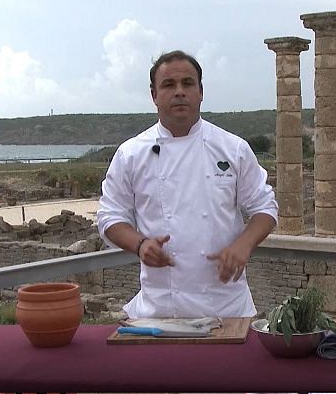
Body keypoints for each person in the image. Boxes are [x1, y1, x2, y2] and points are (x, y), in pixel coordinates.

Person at [96, 50, 278, 319]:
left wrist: (244, 245)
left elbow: (266, 208)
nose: (179, 92)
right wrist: (140, 244)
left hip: (227, 308)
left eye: (188, 83)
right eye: (169, 85)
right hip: (159, 312)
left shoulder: (233, 149)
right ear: (154, 95)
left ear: (201, 92)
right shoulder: (130, 154)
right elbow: (110, 217)